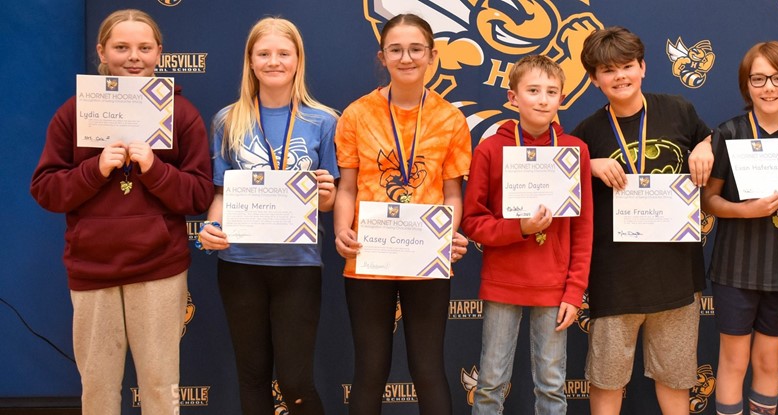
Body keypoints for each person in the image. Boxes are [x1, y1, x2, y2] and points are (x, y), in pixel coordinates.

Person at [30, 9, 213, 415]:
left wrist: (156, 170)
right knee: (97, 389)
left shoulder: (181, 115)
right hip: (92, 268)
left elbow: (199, 195)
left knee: (160, 387)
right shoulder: (74, 112)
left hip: (159, 267)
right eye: (122, 47)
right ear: (102, 51)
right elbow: (45, 190)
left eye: (144, 48)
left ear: (159, 53)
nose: (134, 57)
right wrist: (93, 170)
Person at [196, 17, 337, 415]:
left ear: (297, 60)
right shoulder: (228, 120)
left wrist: (325, 195)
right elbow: (222, 192)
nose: (274, 61)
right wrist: (211, 226)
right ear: (251, 62)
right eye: (264, 54)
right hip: (240, 263)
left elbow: (328, 202)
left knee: (296, 381)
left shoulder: (323, 120)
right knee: (252, 376)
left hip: (298, 265)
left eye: (283, 54)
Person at [332, 13, 472, 415]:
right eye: (396, 49)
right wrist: (342, 229)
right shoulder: (357, 115)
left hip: (425, 257)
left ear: (432, 55)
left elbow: (452, 193)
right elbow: (346, 186)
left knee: (428, 370)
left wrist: (446, 236)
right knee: (370, 370)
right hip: (367, 257)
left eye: (415, 49)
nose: (406, 57)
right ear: (382, 56)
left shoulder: (450, 119)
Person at [570, 26, 713, 415]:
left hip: (676, 275)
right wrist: (587, 163)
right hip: (615, 278)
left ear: (643, 67)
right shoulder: (586, 133)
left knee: (676, 380)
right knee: (607, 381)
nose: (620, 76)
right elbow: (558, 182)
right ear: (594, 80)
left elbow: (714, 139)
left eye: (627, 66)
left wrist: (705, 145)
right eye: (608, 70)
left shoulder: (678, 110)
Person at [461, 55, 593, 414]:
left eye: (552, 92)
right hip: (503, 281)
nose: (542, 99)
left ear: (562, 99)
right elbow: (472, 221)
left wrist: (575, 288)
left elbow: (583, 228)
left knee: (551, 386)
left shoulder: (575, 151)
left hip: (555, 286)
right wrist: (519, 228)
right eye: (533, 90)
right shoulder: (490, 150)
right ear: (512, 97)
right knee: (490, 383)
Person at [702, 41, 778, 415]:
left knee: (769, 363)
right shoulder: (728, 133)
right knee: (734, 363)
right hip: (735, 270)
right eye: (758, 79)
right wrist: (746, 211)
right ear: (746, 84)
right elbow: (709, 202)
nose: (768, 87)